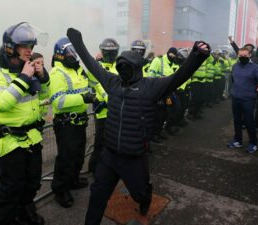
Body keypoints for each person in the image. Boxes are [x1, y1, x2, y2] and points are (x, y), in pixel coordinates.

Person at [66, 27, 210, 225]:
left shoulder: (151, 87)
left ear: (136, 67)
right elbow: (92, 65)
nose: (123, 70)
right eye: (121, 66)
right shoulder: (112, 83)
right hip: (109, 156)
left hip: (133, 158)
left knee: (140, 194)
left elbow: (178, 78)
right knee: (97, 195)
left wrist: (196, 56)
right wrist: (78, 43)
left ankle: (145, 199)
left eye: (127, 67)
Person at [0, 22, 48, 225]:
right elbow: (0, 103)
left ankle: (25, 213)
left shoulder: (25, 68)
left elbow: (43, 99)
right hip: (10, 141)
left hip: (32, 137)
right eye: (24, 46)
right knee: (11, 187)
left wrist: (42, 78)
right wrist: (24, 78)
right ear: (11, 47)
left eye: (31, 46)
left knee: (32, 182)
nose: (29, 50)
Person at [49, 37, 95, 208]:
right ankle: (60, 190)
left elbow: (88, 86)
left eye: (74, 52)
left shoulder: (77, 70)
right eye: (70, 52)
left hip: (79, 121)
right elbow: (58, 102)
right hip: (66, 124)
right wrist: (83, 97)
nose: (74, 55)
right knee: (66, 158)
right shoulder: (57, 73)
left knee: (78, 154)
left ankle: (73, 180)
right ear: (61, 54)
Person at [227, 47, 258, 153]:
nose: (242, 57)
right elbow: (233, 80)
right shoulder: (235, 66)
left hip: (248, 99)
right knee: (237, 120)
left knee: (249, 121)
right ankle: (238, 140)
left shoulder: (255, 67)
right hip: (236, 97)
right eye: (240, 56)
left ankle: (253, 143)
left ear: (250, 55)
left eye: (245, 56)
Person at [88, 38, 118, 174]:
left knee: (113, 141)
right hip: (103, 111)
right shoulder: (96, 66)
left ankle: (109, 166)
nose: (110, 56)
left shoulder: (119, 65)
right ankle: (95, 169)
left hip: (116, 111)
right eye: (108, 53)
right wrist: (110, 98)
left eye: (113, 53)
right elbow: (97, 84)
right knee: (100, 142)